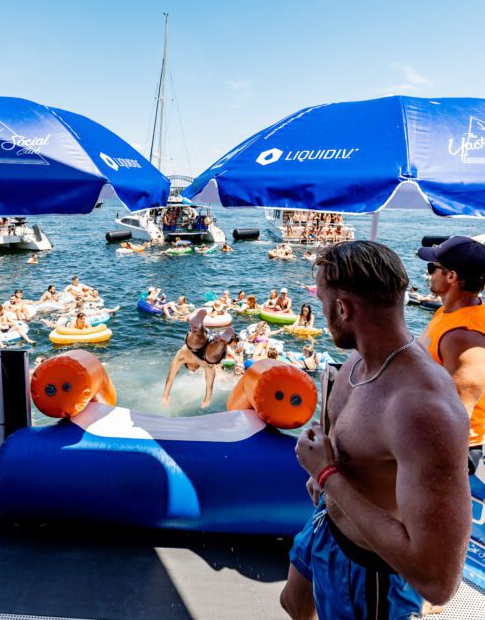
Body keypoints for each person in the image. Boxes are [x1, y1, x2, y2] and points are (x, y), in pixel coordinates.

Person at [280, 241, 471, 620]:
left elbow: (437, 580)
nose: (320, 315)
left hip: (372, 572)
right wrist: (329, 454)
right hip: (327, 524)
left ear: (343, 308)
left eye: (322, 306)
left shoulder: (421, 410)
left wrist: (326, 474)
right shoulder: (357, 361)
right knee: (293, 602)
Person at [417, 236, 485, 474]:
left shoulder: (464, 337)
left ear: (451, 276)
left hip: (449, 450)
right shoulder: (449, 312)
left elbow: (454, 414)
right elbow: (415, 353)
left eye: (432, 268)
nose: (428, 274)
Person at [162, 309, 234, 409]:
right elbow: (209, 382)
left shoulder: (182, 358)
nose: (195, 370)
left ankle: (203, 331)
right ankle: (211, 336)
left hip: (200, 348)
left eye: (192, 370)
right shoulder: (202, 364)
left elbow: (171, 377)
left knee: (203, 352)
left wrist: (165, 396)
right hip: (209, 341)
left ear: (187, 365)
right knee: (209, 356)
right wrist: (207, 399)